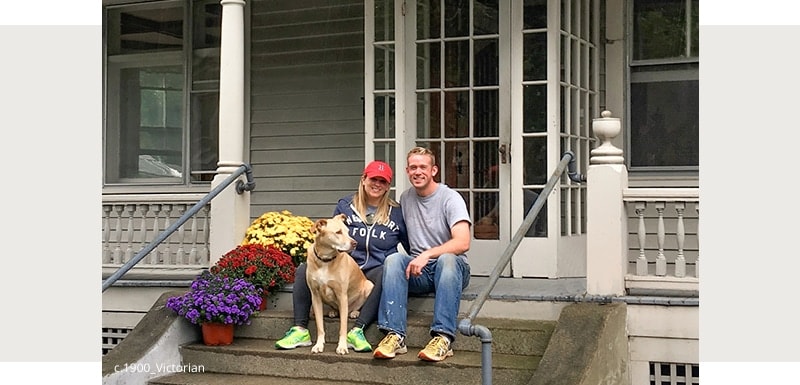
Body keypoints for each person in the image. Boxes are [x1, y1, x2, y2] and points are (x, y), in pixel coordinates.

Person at [275, 160, 409, 352]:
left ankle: (357, 330)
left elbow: (409, 245)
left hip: (375, 269)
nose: (377, 184)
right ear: (363, 180)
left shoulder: (396, 212)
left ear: (388, 186)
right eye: (373, 179)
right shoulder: (345, 205)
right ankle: (300, 328)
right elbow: (331, 236)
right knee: (304, 269)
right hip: (343, 265)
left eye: (383, 181)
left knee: (387, 272)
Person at [373, 146, 472, 362]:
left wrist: (427, 254)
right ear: (407, 171)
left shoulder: (450, 198)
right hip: (421, 272)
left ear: (434, 170)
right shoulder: (406, 198)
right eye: (413, 167)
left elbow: (463, 242)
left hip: (452, 269)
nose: (418, 172)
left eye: (423, 167)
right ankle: (395, 335)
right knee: (394, 260)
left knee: (447, 259)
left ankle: (443, 337)